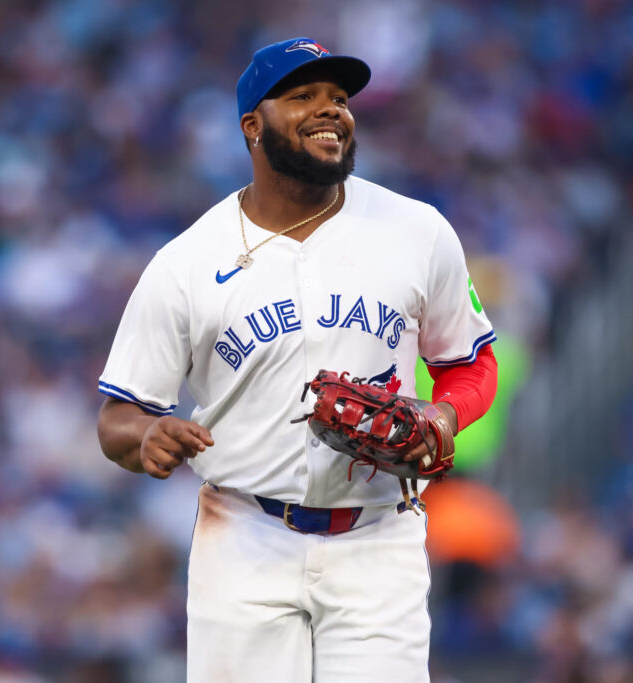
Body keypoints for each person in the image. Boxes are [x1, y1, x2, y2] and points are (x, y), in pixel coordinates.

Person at [96, 37, 499, 683]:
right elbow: (117, 416)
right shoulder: (187, 262)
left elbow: (471, 361)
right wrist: (147, 434)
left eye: (339, 98)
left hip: (379, 534)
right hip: (245, 535)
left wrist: (448, 414)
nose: (330, 111)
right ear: (252, 125)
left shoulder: (417, 231)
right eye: (303, 96)